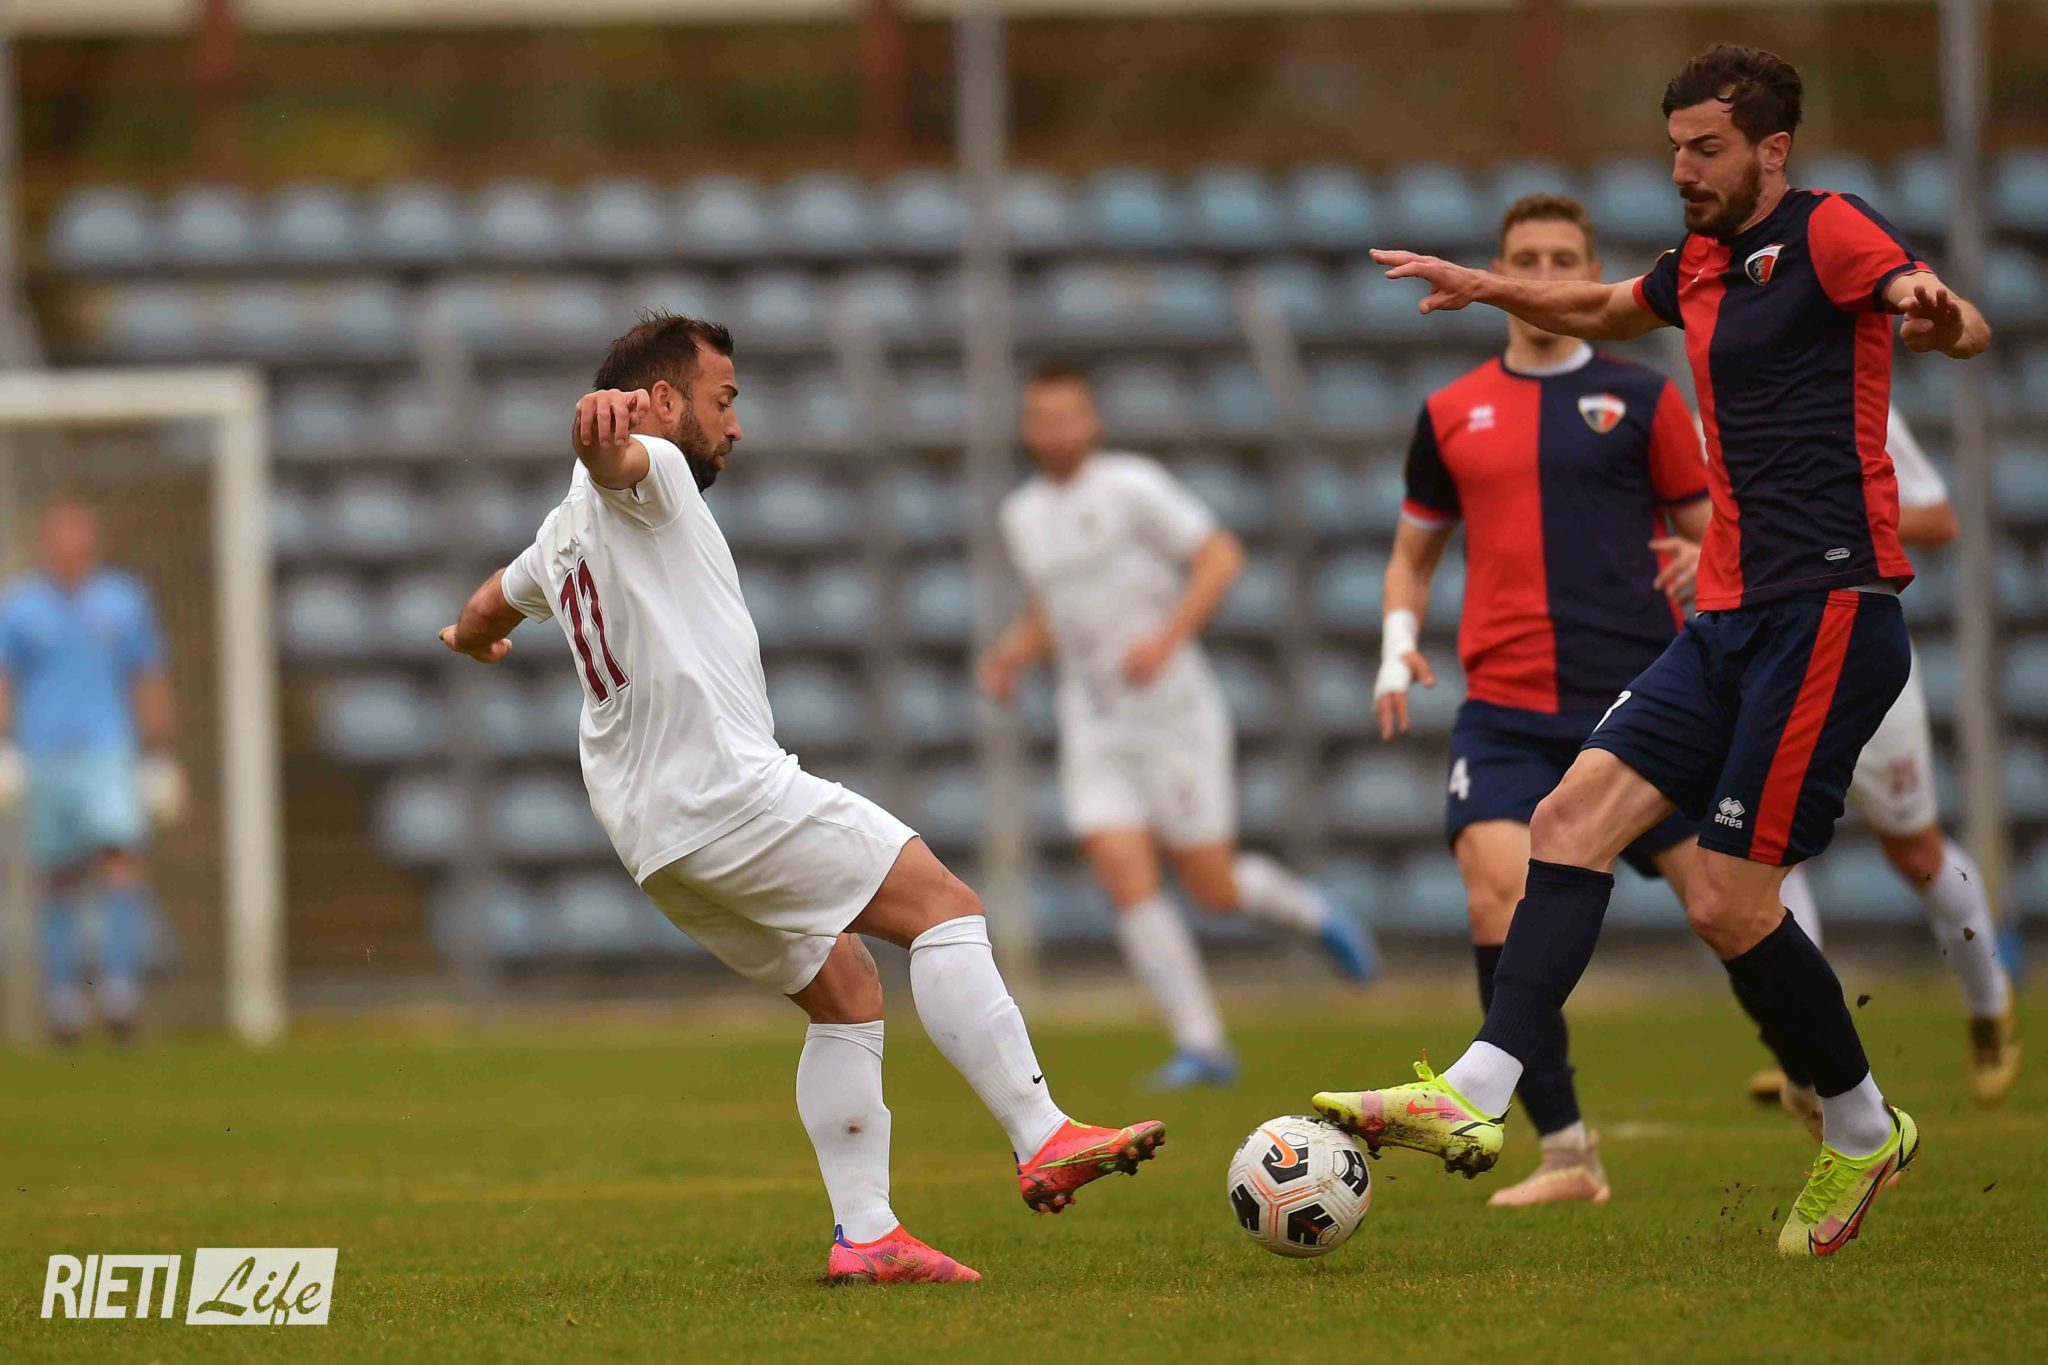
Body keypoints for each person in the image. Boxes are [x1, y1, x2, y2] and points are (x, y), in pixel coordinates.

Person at [1309, 43, 1990, 1258]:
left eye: (1705, 148)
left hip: (1826, 612)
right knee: (1566, 823)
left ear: (1770, 150)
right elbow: (1598, 308)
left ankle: (1858, 1127)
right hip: (1724, 618)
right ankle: (1475, 1088)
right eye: (1673, 147)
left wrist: (1932, 311)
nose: (1681, 168)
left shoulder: (1829, 229)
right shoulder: (1699, 263)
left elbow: (1944, 312)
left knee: (1727, 903)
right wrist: (1482, 287)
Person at [439, 313, 1165, 1287]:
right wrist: (595, 427)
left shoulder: (556, 537)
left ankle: (866, 1235)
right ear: (660, 402)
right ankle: (1041, 1133)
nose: (735, 425)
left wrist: (470, 635)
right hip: (723, 794)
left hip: (654, 844)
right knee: (944, 907)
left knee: (845, 987)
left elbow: (493, 598)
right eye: (723, 400)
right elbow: (611, 455)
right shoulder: (652, 472)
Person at [1376, 193, 1711, 1205]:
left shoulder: (1645, 398)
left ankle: (1830, 1091)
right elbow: (1412, 555)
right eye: (1525, 257)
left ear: (1591, 270)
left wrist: (1705, 563)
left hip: (1640, 700)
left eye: (1564, 257)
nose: (1545, 272)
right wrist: (1396, 645)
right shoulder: (1450, 411)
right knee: (1495, 887)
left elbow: (1709, 531)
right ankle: (1565, 1151)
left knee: (1726, 904)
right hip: (1507, 707)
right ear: (1499, 271)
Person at [979, 365, 1378, 1091]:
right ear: (1028, 429)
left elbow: (1220, 556)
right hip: (1093, 720)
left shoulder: (1132, 486)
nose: (1057, 431)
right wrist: (1012, 654)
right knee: (1121, 870)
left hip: (1173, 714)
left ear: (1092, 422)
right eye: (1042, 418)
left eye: (1069, 416)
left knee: (1211, 885)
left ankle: (1309, 911)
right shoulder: (1022, 514)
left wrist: (1165, 639)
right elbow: (1051, 610)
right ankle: (1202, 1044)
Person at [1751, 406, 2019, 1129]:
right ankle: (1808, 1049)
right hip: (1772, 664)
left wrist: (1827, 521)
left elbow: (1938, 518)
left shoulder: (1850, 401)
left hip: (1860, 657)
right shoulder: (1713, 411)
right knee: (1769, 859)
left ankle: (1990, 1005)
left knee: (1915, 852)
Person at [0, 499, 186, 1043]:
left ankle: (119, 991)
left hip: (109, 749)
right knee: (57, 875)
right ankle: (63, 1001)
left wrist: (158, 750)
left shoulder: (123, 601)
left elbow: (146, 673)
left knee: (120, 860)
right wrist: (4, 744)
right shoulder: (20, 607)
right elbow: (5, 679)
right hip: (44, 752)